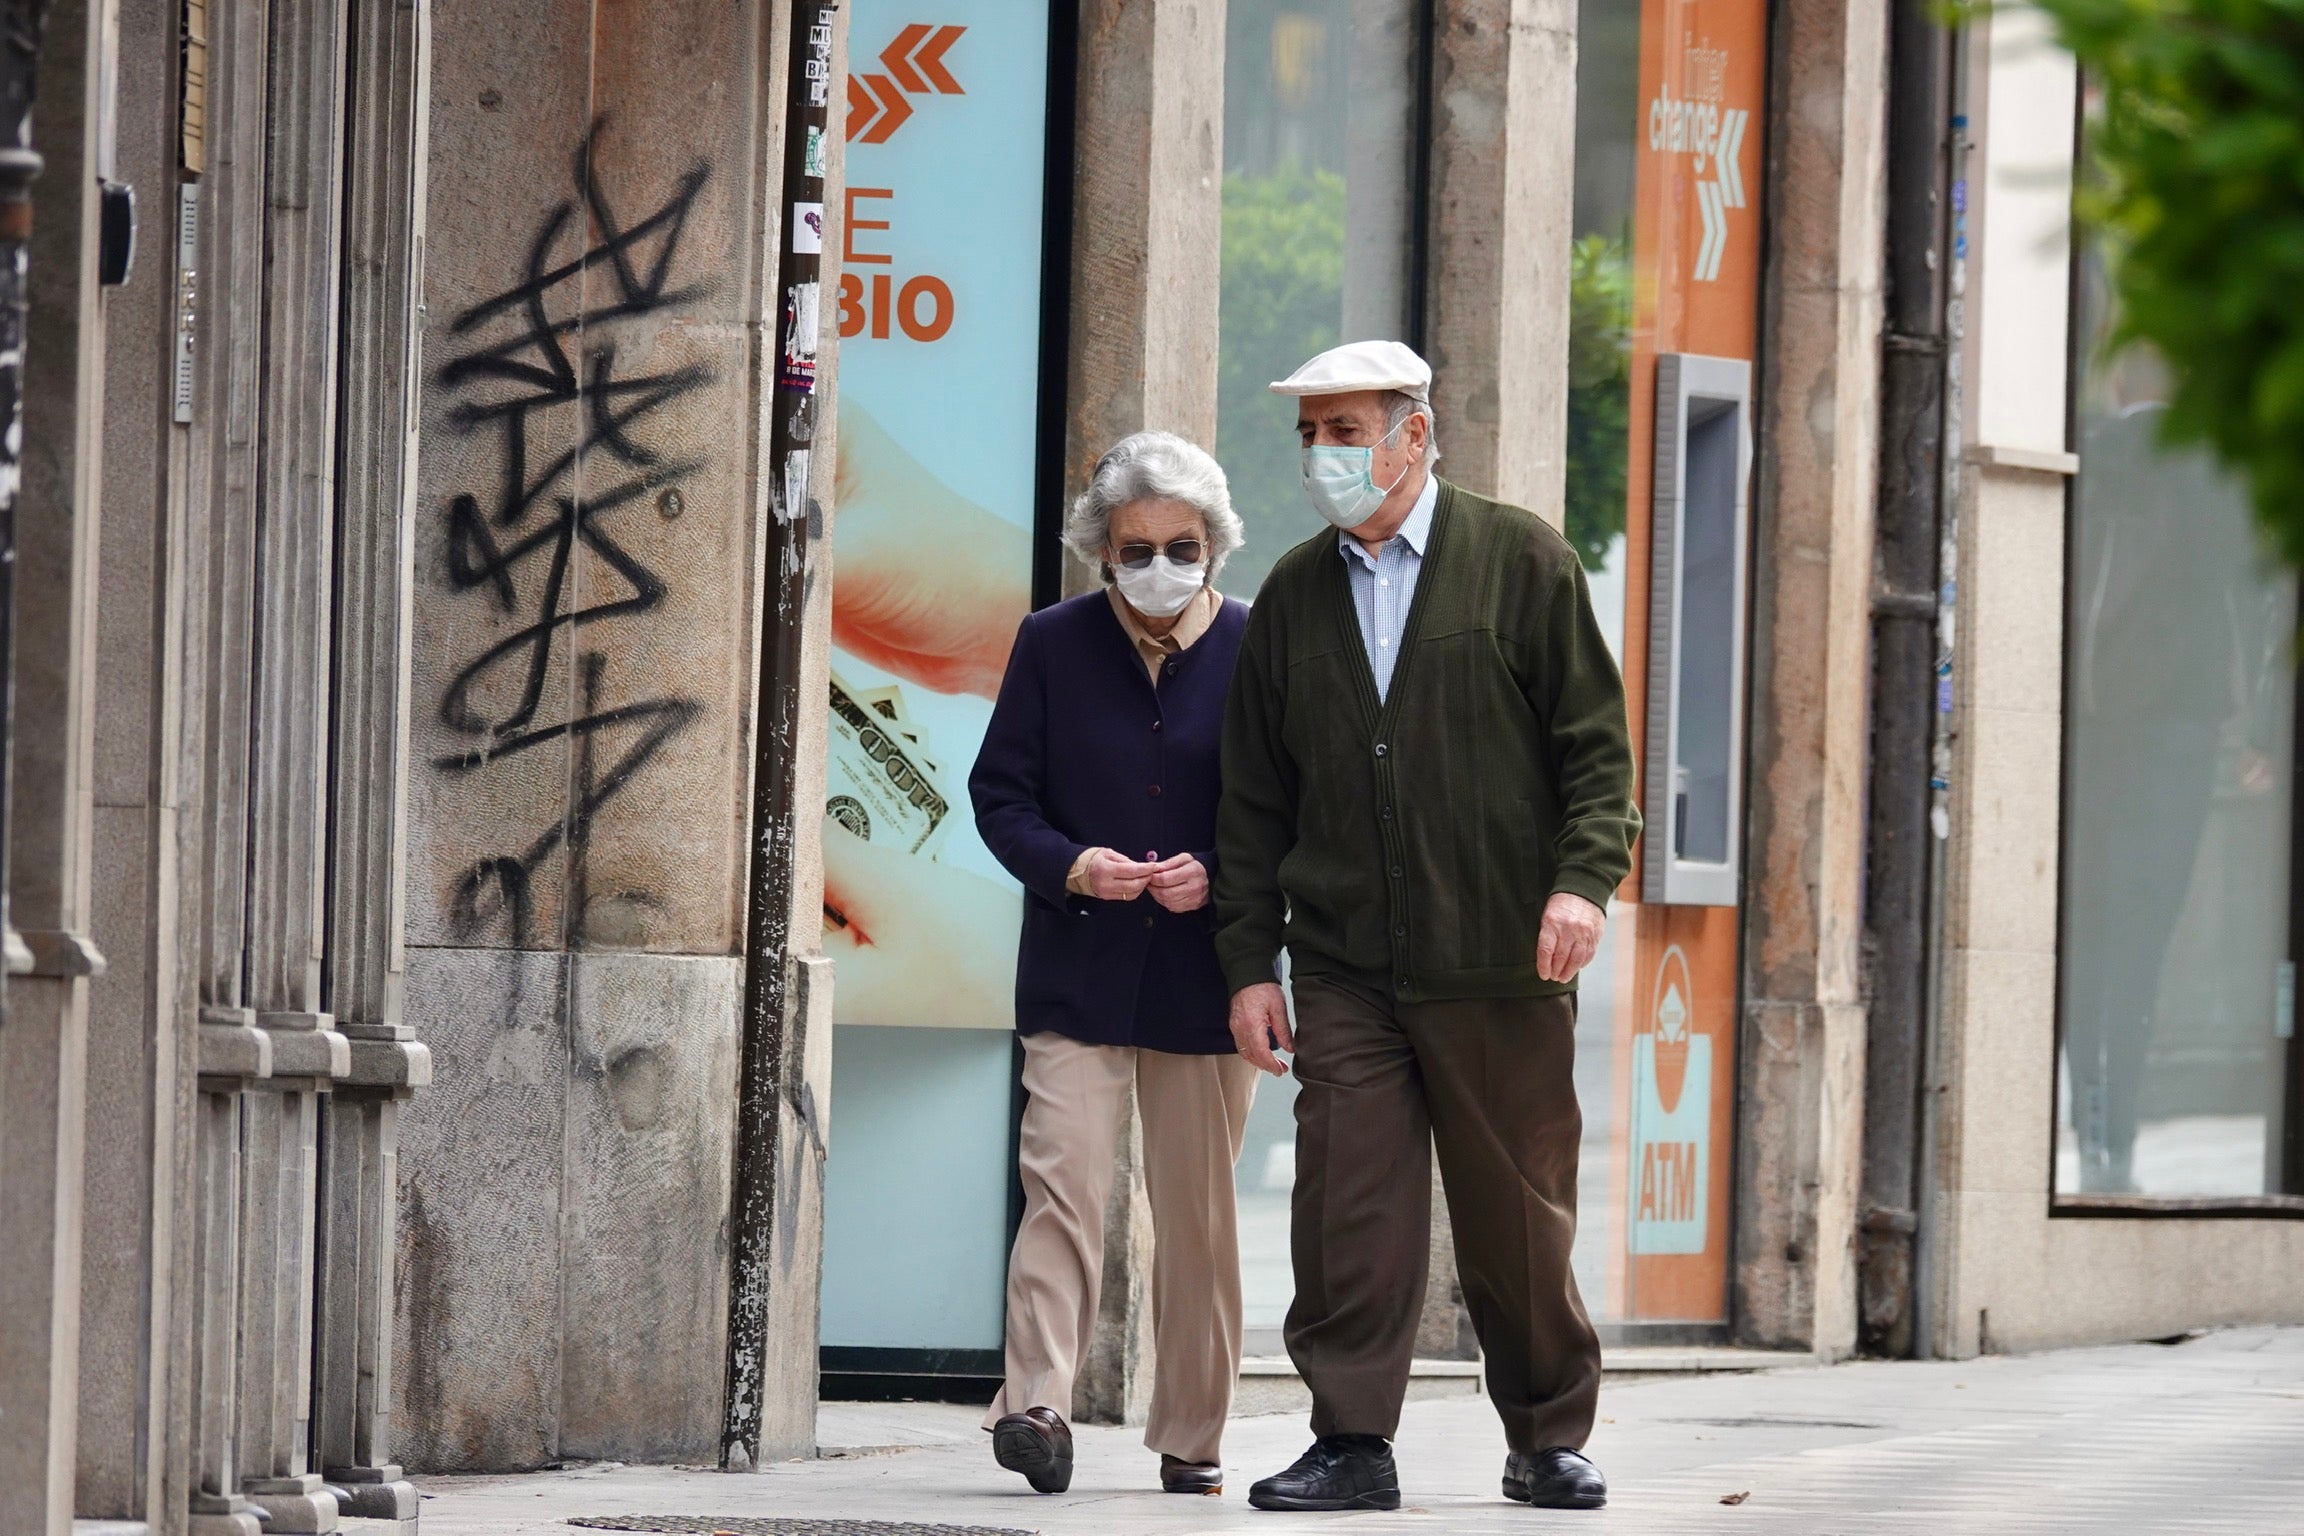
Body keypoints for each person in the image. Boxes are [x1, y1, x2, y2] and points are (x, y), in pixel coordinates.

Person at [1213, 340, 1640, 1513]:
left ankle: (1548, 1433)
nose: (1322, 454)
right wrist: (1251, 962)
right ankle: (1352, 1441)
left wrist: (1580, 884)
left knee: (1516, 1218)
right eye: (1310, 434)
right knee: (1347, 1209)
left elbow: (1597, 755)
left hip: (1502, 956)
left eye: (1345, 429)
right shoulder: (1294, 595)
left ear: (1416, 434)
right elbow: (1251, 802)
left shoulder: (1522, 561)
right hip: (1348, 966)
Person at [968, 430, 1261, 1498]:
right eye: (1135, 547)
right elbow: (999, 796)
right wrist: (1075, 866)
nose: (1158, 565)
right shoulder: (1051, 643)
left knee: (1200, 1217)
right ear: (1101, 549)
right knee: (1064, 1186)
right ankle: (1035, 1405)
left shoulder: (1256, 647)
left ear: (1213, 547)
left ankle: (1193, 1435)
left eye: (1181, 545)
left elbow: (1296, 814)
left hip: (1206, 982)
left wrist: (1221, 875)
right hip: (1077, 973)